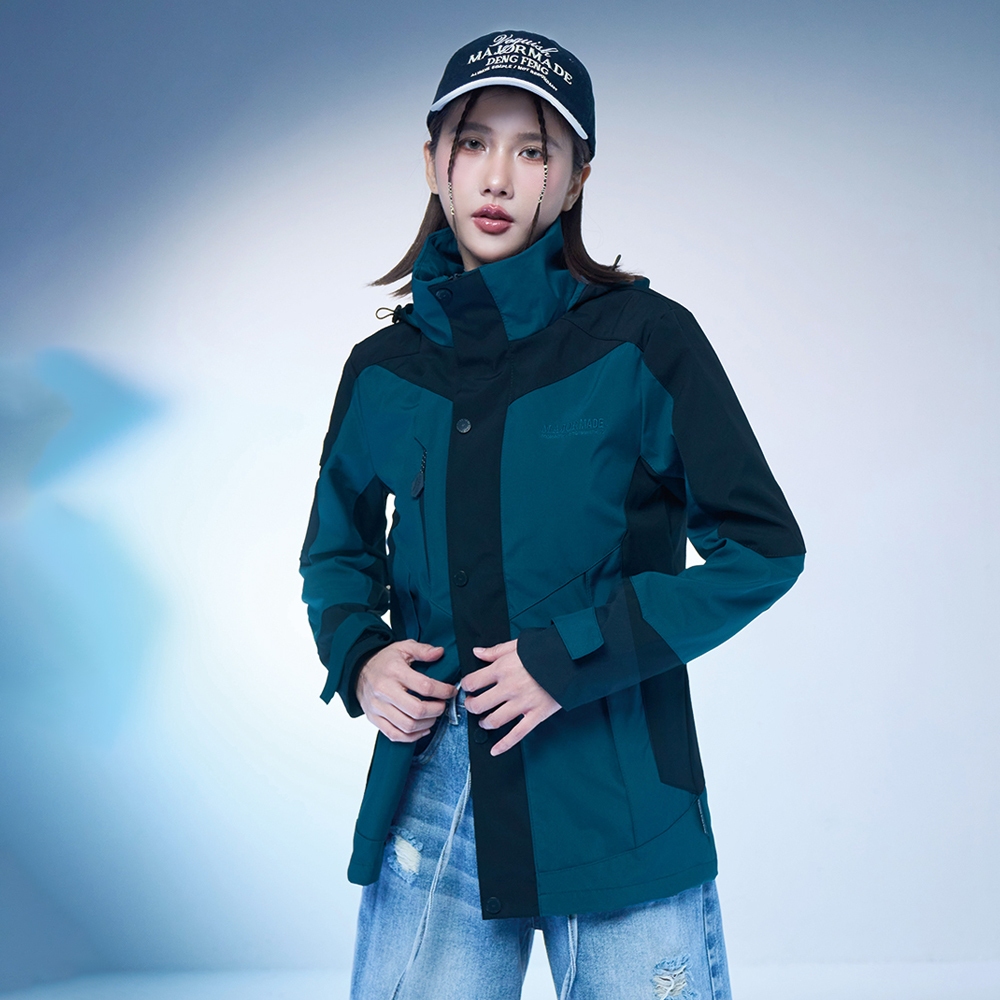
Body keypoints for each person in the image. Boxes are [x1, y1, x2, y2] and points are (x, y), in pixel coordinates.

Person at [300, 29, 805, 1000]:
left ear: (575, 181)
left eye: (534, 150)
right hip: (437, 788)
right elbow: (336, 552)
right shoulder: (383, 372)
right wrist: (359, 656)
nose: (499, 176)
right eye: (473, 141)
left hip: (617, 790)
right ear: (433, 162)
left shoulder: (645, 342)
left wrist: (571, 656)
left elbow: (761, 549)